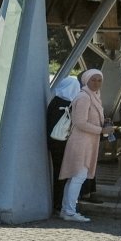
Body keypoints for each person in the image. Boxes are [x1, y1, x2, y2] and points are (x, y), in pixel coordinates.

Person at [58, 68, 114, 222]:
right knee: (79, 176)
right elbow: (80, 122)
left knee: (75, 177)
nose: (96, 83)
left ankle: (66, 209)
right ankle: (69, 211)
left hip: (87, 142)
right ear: (86, 80)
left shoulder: (94, 96)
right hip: (81, 142)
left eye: (99, 80)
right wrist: (101, 130)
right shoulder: (84, 97)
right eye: (93, 80)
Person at [46, 75, 80, 214]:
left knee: (57, 172)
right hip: (64, 144)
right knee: (63, 174)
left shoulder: (54, 102)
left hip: (52, 142)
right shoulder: (70, 105)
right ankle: (59, 203)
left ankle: (57, 202)